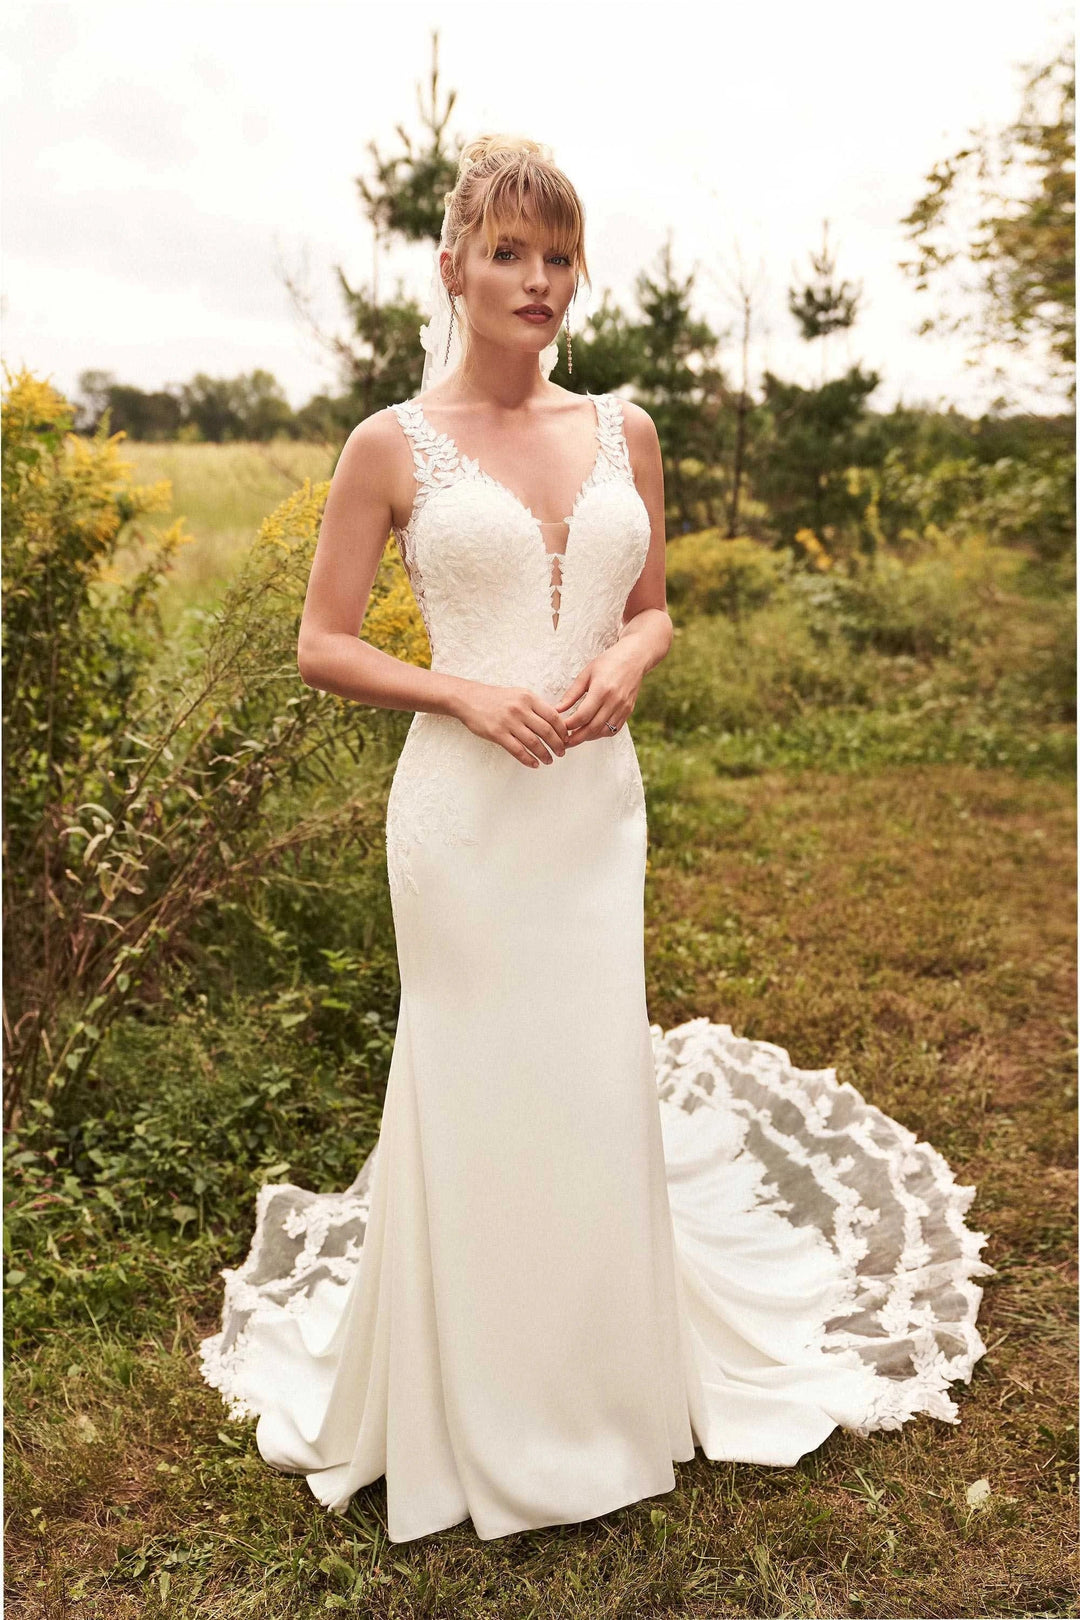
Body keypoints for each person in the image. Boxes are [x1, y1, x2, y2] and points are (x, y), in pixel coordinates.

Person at [198, 135, 995, 1546]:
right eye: (509, 252)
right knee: (476, 1072)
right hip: (462, 813)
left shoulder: (625, 428)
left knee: (583, 1073)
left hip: (592, 812)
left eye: (559, 255)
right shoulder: (389, 444)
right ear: (451, 268)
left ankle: (603, 1380)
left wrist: (635, 659)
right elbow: (320, 643)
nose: (539, 280)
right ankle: (473, 1395)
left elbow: (655, 602)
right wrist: (462, 689)